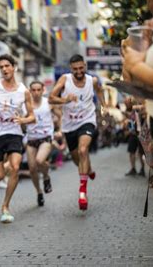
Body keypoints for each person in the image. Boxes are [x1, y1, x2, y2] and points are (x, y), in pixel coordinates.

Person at [49, 54, 105, 210]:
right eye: (75, 69)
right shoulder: (64, 80)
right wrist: (65, 100)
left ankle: (82, 193)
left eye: (81, 68)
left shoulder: (92, 81)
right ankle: (89, 169)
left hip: (87, 120)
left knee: (83, 149)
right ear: (70, 69)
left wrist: (103, 107)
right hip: (69, 126)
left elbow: (100, 92)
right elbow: (51, 98)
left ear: (85, 66)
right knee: (77, 160)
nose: (79, 71)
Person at [0, 54, 35, 223]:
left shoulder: (24, 91)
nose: (4, 69)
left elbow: (32, 117)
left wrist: (23, 120)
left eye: (7, 66)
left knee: (15, 168)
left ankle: (5, 206)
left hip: (14, 134)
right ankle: (2, 167)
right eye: (2, 67)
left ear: (14, 67)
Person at [26, 81, 55, 207]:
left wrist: (59, 130)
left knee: (39, 160)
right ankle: (39, 192)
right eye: (34, 90)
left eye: (39, 90)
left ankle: (46, 176)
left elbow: (60, 115)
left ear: (43, 90)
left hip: (45, 138)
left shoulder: (48, 102)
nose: (36, 93)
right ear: (30, 91)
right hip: (31, 139)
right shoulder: (26, 104)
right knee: (32, 169)